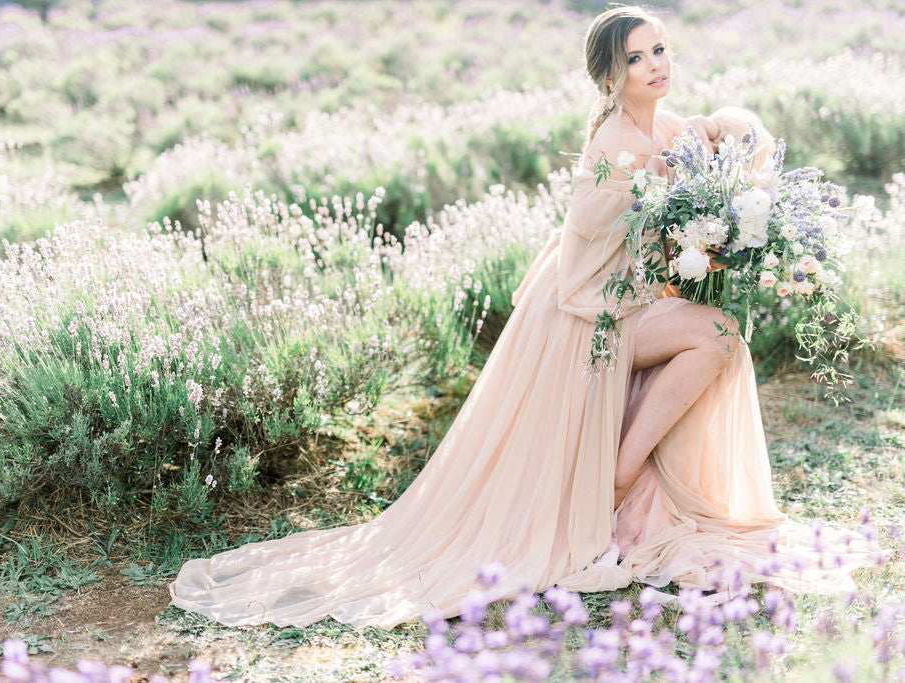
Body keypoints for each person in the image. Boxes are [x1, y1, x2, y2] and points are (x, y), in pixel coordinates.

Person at [169, 5, 880, 630]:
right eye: (637, 58)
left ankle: (632, 481)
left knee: (722, 337)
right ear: (610, 76)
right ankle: (618, 481)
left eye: (660, 48)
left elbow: (735, 130)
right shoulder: (617, 151)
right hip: (587, 314)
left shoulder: (666, 127)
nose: (656, 65)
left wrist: (745, 187)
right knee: (718, 334)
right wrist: (698, 246)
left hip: (631, 298)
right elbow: (592, 271)